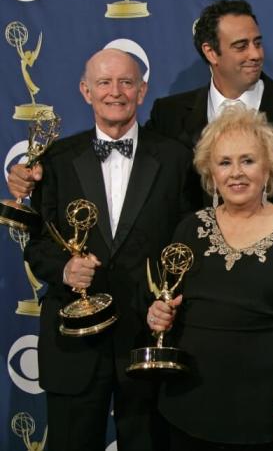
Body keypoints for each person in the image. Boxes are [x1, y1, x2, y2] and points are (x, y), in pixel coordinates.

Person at [23, 49, 198, 451]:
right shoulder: (55, 159)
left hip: (147, 337)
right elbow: (37, 242)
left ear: (142, 91)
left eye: (126, 82)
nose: (115, 92)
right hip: (74, 341)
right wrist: (65, 269)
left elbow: (187, 244)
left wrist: (168, 304)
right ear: (86, 91)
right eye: (104, 82)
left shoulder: (176, 158)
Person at [147, 106, 273, 450]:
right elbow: (166, 300)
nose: (236, 173)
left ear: (269, 167)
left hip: (267, 412)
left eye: (248, 161)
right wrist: (158, 315)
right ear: (210, 172)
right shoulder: (190, 229)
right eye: (224, 163)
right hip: (187, 407)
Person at [145, 0, 273, 217]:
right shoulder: (169, 113)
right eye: (241, 46)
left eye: (258, 43)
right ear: (211, 52)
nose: (255, 54)